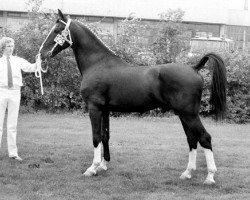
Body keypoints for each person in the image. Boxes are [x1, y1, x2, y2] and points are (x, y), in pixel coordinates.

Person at [0, 37, 37, 162]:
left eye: (11, 46)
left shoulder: (18, 60)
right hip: (1, 91)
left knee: (12, 125)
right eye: (7, 46)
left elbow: (31, 68)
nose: (10, 48)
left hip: (15, 92)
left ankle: (13, 153)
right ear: (3, 47)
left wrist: (40, 61)